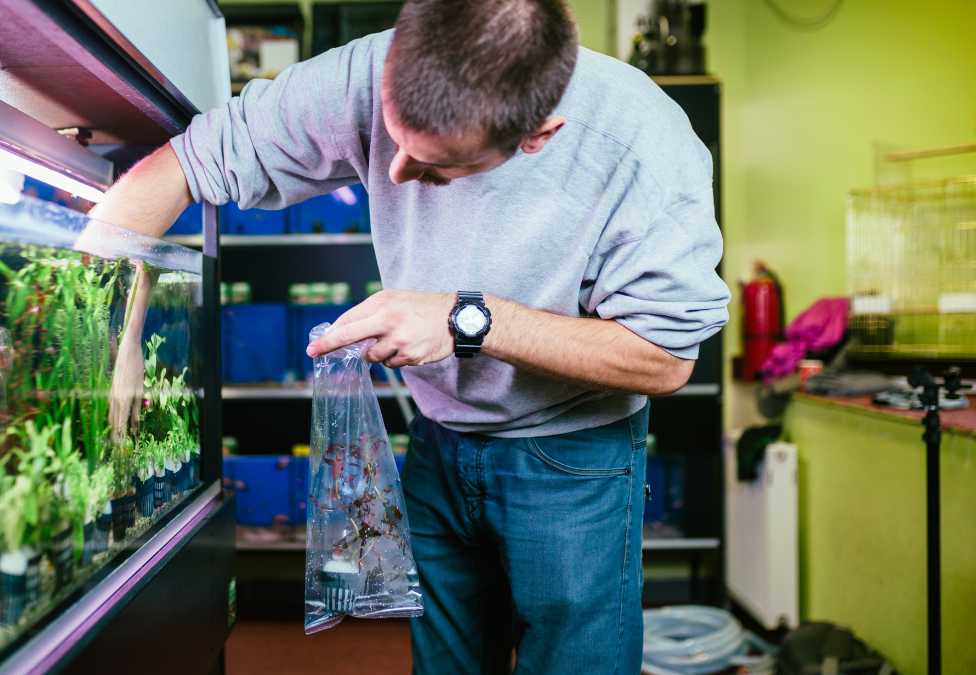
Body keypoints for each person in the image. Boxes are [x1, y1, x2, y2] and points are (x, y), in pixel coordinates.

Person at [95, 0, 730, 671]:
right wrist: (118, 338)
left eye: (434, 167)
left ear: (538, 135)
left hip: (572, 457)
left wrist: (465, 320)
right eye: (391, 140)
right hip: (436, 442)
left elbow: (664, 358)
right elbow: (177, 168)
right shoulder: (365, 73)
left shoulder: (643, 146)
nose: (395, 175)